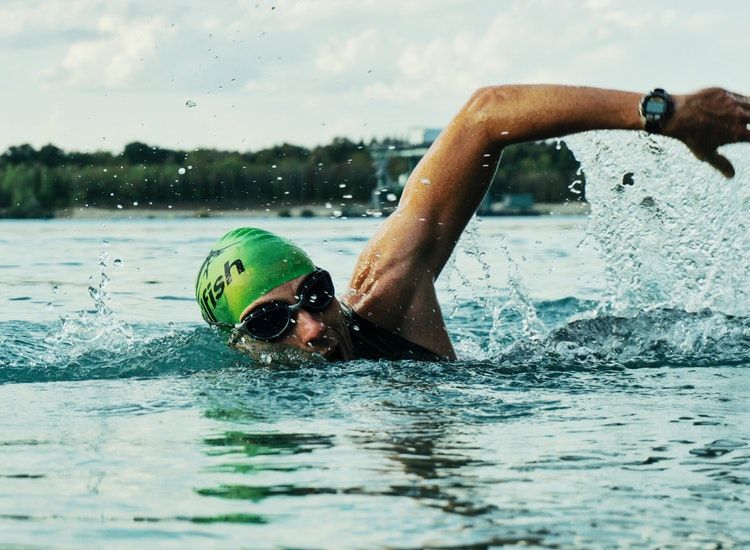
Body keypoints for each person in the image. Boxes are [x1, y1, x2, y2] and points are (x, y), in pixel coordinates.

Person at [196, 85, 750, 362]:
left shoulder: (384, 297)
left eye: (315, 295)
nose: (313, 328)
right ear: (240, 345)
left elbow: (484, 115)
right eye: (272, 323)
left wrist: (664, 114)